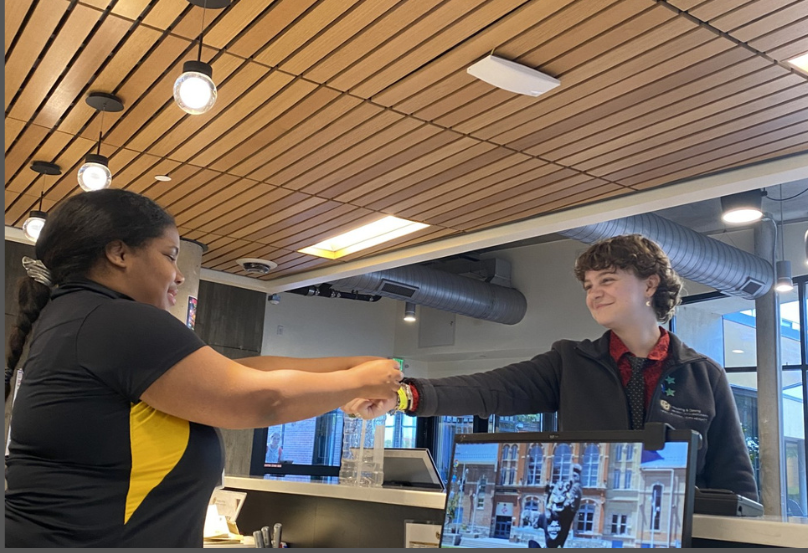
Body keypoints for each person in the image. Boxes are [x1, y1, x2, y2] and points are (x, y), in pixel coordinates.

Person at [4, 189, 402, 548]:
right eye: (169, 256)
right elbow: (263, 399)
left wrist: (356, 368)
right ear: (119, 253)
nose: (178, 275)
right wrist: (360, 380)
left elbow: (236, 372)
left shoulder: (79, 317)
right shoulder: (118, 320)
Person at [345, 234, 758, 500]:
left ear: (650, 284)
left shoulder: (702, 374)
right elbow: (491, 389)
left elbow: (735, 483)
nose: (595, 294)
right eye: (589, 286)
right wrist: (402, 395)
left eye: (608, 280)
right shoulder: (571, 361)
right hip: (586, 531)